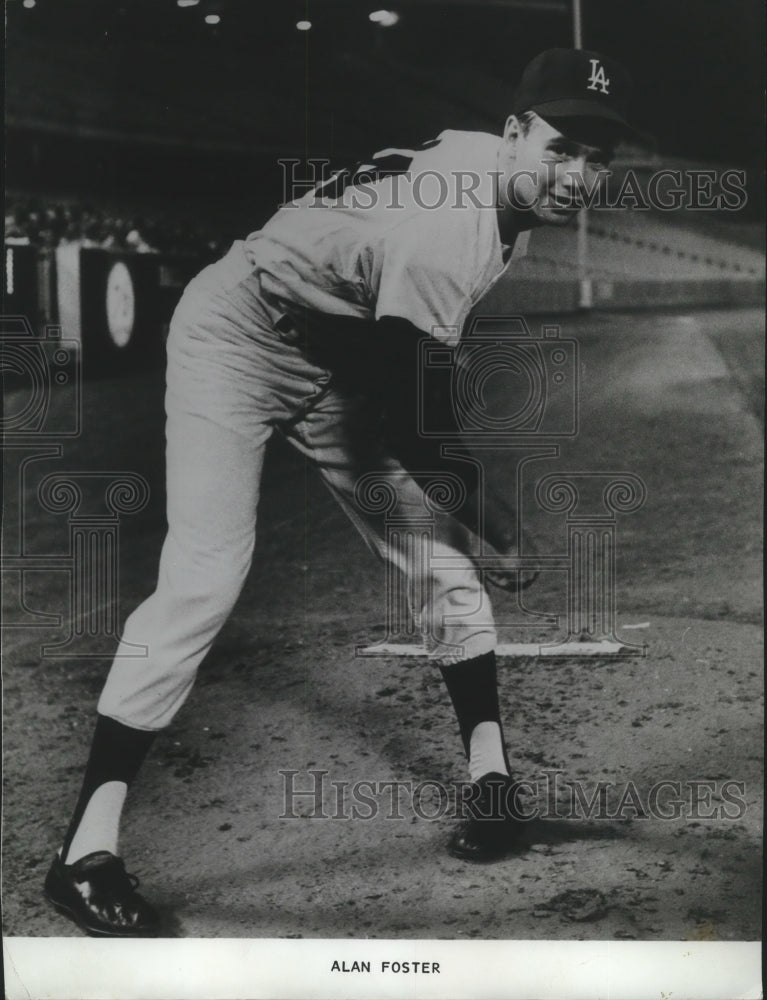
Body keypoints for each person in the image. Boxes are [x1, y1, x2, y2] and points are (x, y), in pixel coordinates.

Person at [44, 48, 638, 937]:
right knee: (204, 576)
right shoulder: (453, 225)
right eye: (562, 147)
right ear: (515, 132)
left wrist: (469, 523)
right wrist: (502, 529)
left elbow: (402, 373)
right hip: (238, 334)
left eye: (597, 158)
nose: (578, 175)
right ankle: (81, 856)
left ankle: (491, 784)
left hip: (338, 351)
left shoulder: (489, 176)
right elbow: (416, 423)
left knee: (438, 564)